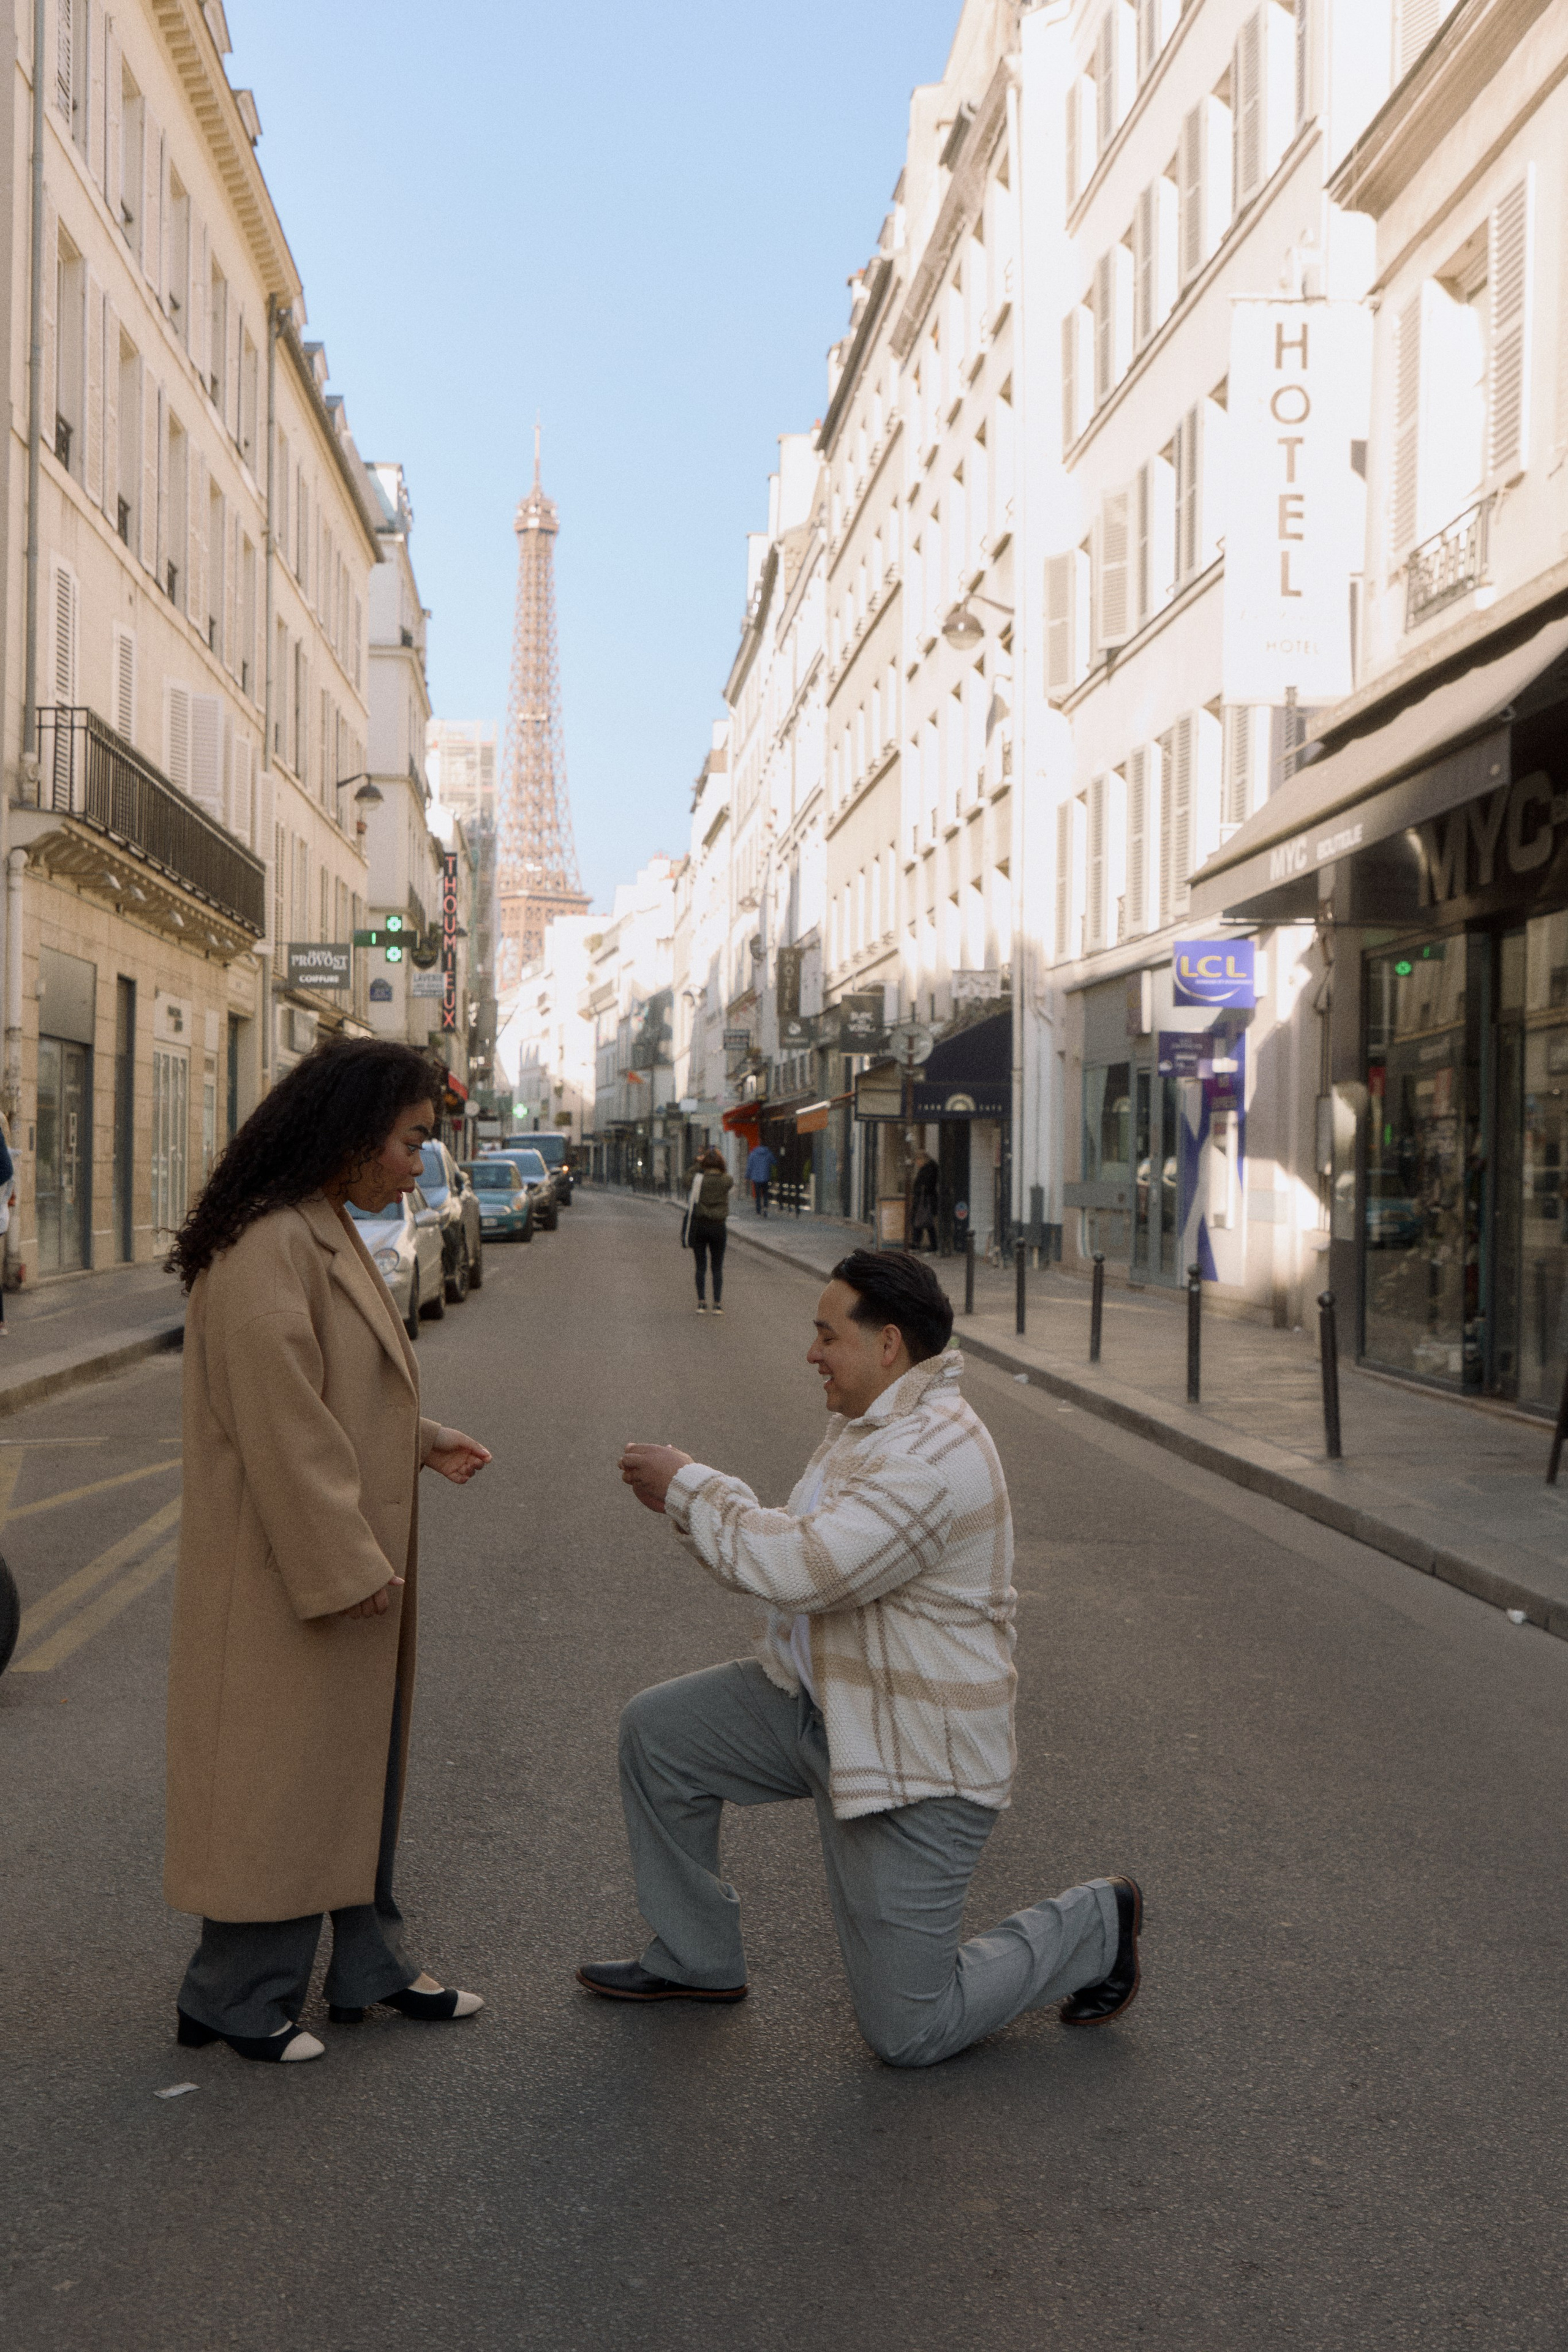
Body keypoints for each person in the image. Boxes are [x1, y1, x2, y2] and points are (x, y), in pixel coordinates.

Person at [587, 1249, 1143, 2068]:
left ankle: (1096, 1925)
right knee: (660, 1733)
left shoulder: (930, 1456)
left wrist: (690, 1487)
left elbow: (806, 1569)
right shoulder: (878, 1423)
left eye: (827, 1335)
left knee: (909, 2031)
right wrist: (695, 1505)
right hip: (828, 1706)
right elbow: (798, 1545)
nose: (811, 1353)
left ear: (888, 1344)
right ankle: (696, 1958)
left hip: (914, 1755)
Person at [163, 1038, 492, 2065]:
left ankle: (368, 1965)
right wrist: (344, 1563)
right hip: (283, 1574)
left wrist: (419, 1438)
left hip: (317, 1560)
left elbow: (329, 1387)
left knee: (344, 1772)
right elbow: (283, 1425)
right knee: (278, 1786)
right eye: (409, 1142)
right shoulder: (272, 1243)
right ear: (350, 1135)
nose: (416, 1166)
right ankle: (229, 1995)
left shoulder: (317, 1224)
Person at [685, 1147, 734, 1316]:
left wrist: (697, 1165)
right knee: (717, 1267)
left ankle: (701, 1303)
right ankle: (718, 1304)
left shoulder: (699, 1180)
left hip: (701, 1225)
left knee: (700, 1266)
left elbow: (686, 1180)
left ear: (705, 1163)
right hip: (719, 1227)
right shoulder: (726, 1180)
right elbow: (728, 1178)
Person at [910, 1150, 939, 1254]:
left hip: (925, 1201)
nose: (917, 1163)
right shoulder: (929, 1169)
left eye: (918, 1160)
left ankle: (921, 1243)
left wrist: (920, 1192)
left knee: (924, 1222)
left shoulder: (928, 1170)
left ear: (922, 1160)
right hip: (925, 1200)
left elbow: (927, 1186)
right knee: (922, 1222)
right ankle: (917, 1242)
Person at [745, 1139, 777, 1216]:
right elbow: (774, 1162)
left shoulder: (753, 1154)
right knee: (765, 1194)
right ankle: (765, 1207)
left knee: (758, 1194)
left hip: (756, 1178)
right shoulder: (768, 1153)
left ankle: (758, 1210)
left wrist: (747, 1176)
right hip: (766, 1177)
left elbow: (750, 1167)